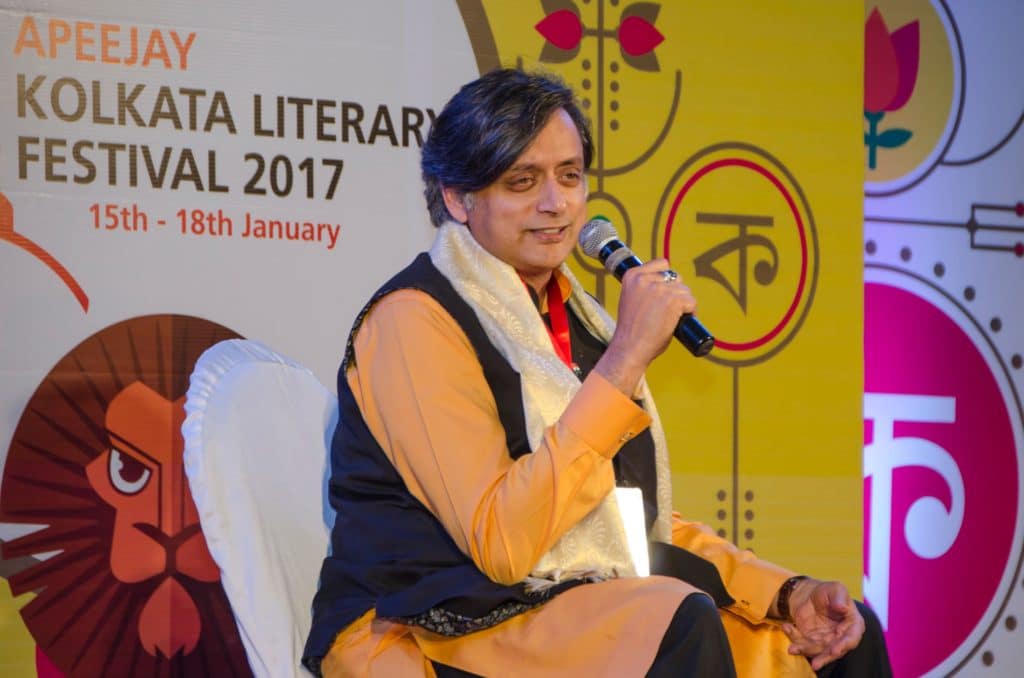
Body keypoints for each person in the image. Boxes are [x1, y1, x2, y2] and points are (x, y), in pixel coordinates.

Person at [303, 68, 891, 677]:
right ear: (457, 198)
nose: (555, 203)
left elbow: (627, 521)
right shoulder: (415, 320)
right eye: (522, 181)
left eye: (570, 175)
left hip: (557, 603)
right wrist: (625, 361)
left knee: (836, 640)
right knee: (675, 620)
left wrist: (784, 592)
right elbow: (501, 541)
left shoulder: (571, 318)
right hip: (426, 625)